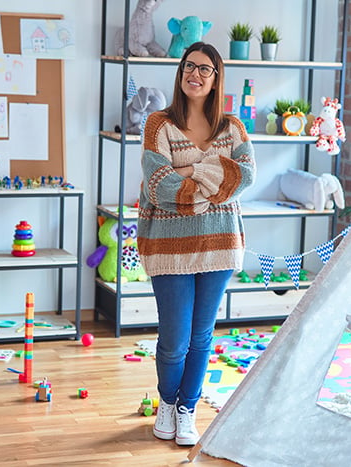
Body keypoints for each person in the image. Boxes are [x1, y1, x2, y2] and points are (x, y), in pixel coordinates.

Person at [138, 41, 256, 446]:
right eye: (190, 66)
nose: (196, 74)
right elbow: (157, 185)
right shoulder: (158, 124)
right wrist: (212, 175)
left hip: (220, 246)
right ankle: (167, 403)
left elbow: (244, 178)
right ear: (181, 72)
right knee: (175, 340)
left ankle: (188, 408)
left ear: (216, 77)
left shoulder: (234, 128)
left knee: (203, 337)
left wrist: (189, 168)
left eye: (205, 69)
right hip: (170, 247)